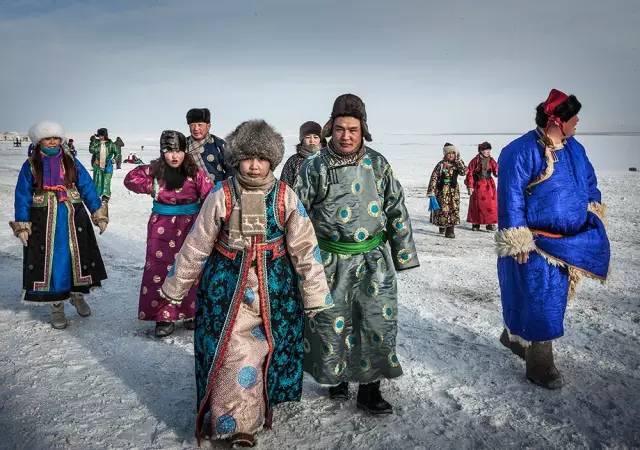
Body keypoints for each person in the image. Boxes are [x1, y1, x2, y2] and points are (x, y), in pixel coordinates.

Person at [160, 120, 331, 447]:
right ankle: (237, 424)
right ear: (236, 159)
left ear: (272, 160)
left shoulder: (285, 196)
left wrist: (315, 295)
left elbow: (305, 249)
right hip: (227, 290)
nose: (254, 165)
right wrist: (175, 287)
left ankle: (249, 415)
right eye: (248, 157)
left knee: (265, 351)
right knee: (233, 352)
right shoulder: (221, 194)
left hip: (275, 291)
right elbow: (197, 243)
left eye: (262, 158)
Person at [295, 94, 419, 415]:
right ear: (329, 129)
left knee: (375, 323)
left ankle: (369, 389)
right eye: (339, 129)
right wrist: (294, 260)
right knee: (332, 323)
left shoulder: (377, 164)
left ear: (363, 129)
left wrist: (402, 253)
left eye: (353, 129)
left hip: (373, 260)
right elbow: (296, 216)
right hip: (330, 261)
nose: (346, 136)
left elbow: (396, 208)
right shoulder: (313, 166)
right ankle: (337, 379)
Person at [496, 89, 610, 389]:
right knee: (540, 301)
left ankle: (514, 338)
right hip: (535, 243)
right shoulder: (519, 151)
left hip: (569, 242)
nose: (578, 122)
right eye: (573, 118)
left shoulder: (576, 149)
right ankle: (540, 364)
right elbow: (510, 197)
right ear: (558, 121)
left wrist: (592, 214)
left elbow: (589, 184)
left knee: (554, 300)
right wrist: (516, 238)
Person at [10, 121, 109, 329]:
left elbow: (86, 186)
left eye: (55, 137)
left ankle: (77, 295)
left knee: (77, 257)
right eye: (48, 138)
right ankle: (56, 305)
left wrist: (97, 212)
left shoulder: (70, 161)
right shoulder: (30, 164)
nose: (52, 141)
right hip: (43, 222)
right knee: (53, 262)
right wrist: (22, 224)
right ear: (39, 141)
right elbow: (22, 195)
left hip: (74, 218)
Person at [124, 130, 213, 337]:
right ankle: (164, 316)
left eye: (179, 151)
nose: (174, 156)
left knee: (190, 267)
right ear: (162, 152)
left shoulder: (195, 172)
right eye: (169, 151)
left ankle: (191, 312)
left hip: (190, 226)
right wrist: (150, 186)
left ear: (185, 151)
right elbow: (130, 178)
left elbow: (210, 195)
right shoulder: (155, 170)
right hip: (161, 226)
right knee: (159, 269)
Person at [427, 143, 467, 238]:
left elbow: (464, 172)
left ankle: (450, 230)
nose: (451, 155)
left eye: (453, 153)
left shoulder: (457, 164)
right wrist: (431, 191)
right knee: (443, 209)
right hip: (442, 191)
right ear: (445, 154)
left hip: (453, 191)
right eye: (449, 153)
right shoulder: (440, 165)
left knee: (453, 209)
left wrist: (459, 160)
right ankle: (442, 225)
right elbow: (434, 177)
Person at [185, 108, 233, 182]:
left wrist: (223, 186)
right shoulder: (182, 144)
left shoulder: (219, 143)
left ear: (208, 126)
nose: (196, 128)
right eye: (192, 125)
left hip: (217, 190)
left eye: (199, 125)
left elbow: (231, 169)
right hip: (191, 190)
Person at [279, 121, 325, 187]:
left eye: (315, 137)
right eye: (308, 137)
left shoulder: (328, 159)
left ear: (320, 139)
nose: (312, 141)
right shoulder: (293, 161)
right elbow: (284, 188)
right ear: (302, 140)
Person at [465, 141, 498, 231]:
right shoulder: (475, 160)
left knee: (490, 205)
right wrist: (470, 185)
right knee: (476, 204)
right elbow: (470, 173)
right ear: (481, 151)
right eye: (486, 150)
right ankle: (476, 223)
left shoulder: (491, 160)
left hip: (489, 186)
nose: (488, 152)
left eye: (489, 150)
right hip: (478, 185)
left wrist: (500, 171)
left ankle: (490, 223)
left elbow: (496, 171)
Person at [89, 128, 121, 201]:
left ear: (105, 135)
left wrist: (114, 159)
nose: (100, 137)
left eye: (102, 136)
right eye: (99, 136)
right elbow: (91, 150)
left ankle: (106, 196)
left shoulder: (111, 144)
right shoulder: (96, 143)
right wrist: (92, 142)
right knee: (97, 181)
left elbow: (117, 152)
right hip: (97, 165)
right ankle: (96, 195)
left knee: (106, 180)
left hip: (108, 165)